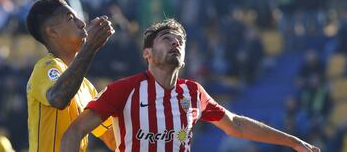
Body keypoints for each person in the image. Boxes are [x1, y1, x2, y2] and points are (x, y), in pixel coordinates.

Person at [61, 18, 320, 152]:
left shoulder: (193, 93)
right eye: (166, 39)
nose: (175, 43)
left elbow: (236, 125)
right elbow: (74, 132)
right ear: (147, 54)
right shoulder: (124, 90)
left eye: (180, 42)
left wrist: (292, 142)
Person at [25, 0, 116, 152]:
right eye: (70, 19)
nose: (82, 24)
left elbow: (113, 137)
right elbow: (58, 98)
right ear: (52, 31)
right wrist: (90, 47)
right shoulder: (46, 67)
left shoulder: (86, 87)